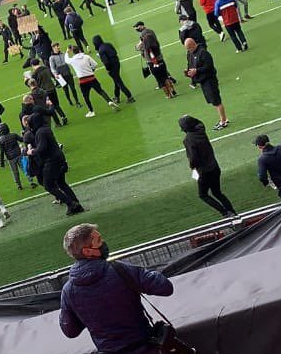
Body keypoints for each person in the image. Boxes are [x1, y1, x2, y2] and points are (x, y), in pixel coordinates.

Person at [59, 224, 174, 354]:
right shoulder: (120, 269)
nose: (103, 243)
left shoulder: (68, 291)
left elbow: (70, 331)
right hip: (146, 347)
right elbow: (165, 287)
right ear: (88, 252)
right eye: (99, 240)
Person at [180, 115, 237, 217]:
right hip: (214, 167)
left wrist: (192, 167)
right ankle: (232, 211)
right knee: (217, 192)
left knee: (203, 195)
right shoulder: (200, 130)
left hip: (204, 171)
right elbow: (199, 122)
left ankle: (225, 213)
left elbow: (193, 158)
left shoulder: (188, 140)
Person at [185, 38, 227, 130]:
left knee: (216, 101)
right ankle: (222, 119)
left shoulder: (203, 53)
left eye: (189, 48)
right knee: (213, 101)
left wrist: (197, 70)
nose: (188, 50)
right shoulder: (190, 54)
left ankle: (223, 121)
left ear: (193, 45)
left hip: (209, 79)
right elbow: (190, 65)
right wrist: (189, 72)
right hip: (202, 81)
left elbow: (209, 66)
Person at [66, 45, 118, 118]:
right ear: (79, 50)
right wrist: (92, 70)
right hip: (92, 78)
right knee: (100, 91)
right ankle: (109, 101)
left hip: (82, 80)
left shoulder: (72, 60)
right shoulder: (86, 57)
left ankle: (91, 111)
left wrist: (67, 52)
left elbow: (66, 60)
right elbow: (95, 64)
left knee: (86, 96)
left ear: (73, 52)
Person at [136, 22, 177, 100]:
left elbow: (141, 49)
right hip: (160, 60)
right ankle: (172, 90)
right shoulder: (155, 43)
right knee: (165, 77)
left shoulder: (146, 47)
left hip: (152, 64)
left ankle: (168, 95)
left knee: (160, 80)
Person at [92, 35, 134, 104]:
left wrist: (108, 69)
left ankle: (129, 96)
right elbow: (115, 52)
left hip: (112, 67)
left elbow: (106, 62)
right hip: (117, 63)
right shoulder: (108, 44)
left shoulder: (101, 50)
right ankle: (117, 97)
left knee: (119, 82)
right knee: (116, 81)